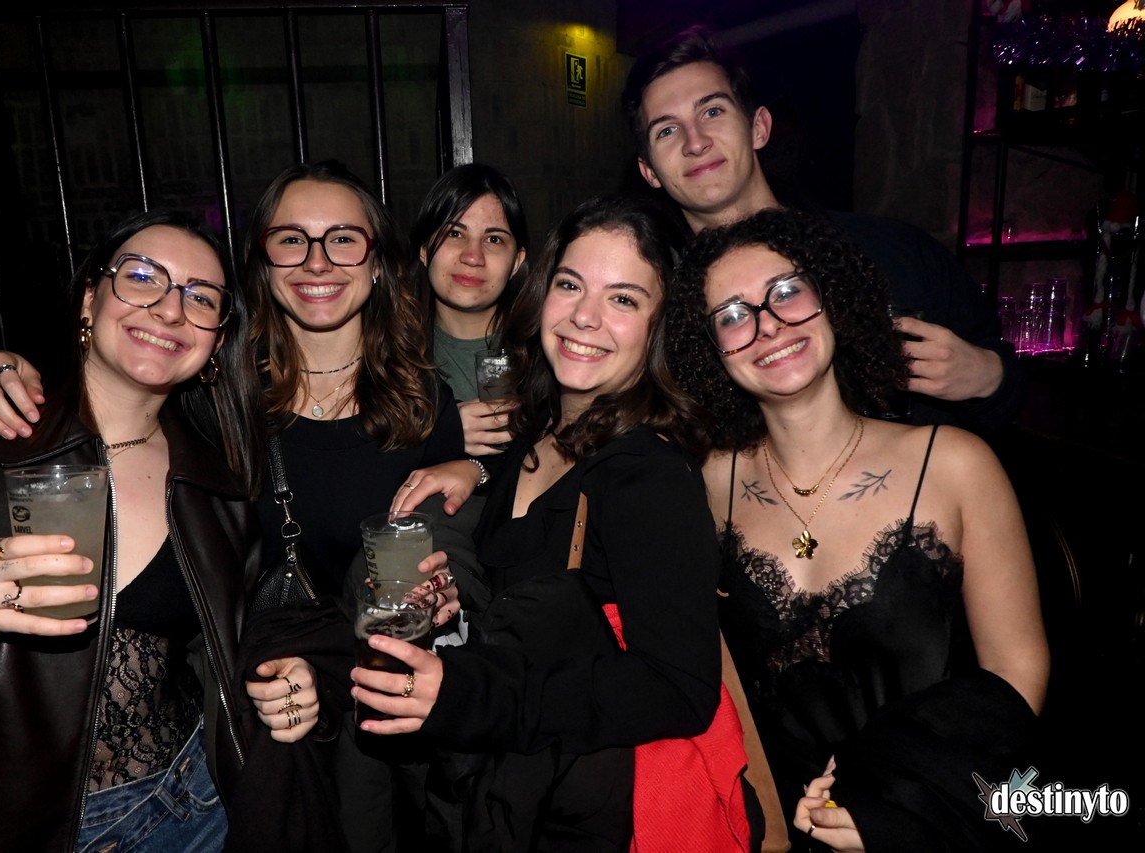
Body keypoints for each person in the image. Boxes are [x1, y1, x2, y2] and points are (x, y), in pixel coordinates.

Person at [0, 159, 466, 853]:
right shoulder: (216, 398)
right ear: (263, 265)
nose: (317, 260)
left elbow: (454, 547)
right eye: (291, 239)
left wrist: (474, 488)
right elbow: (117, 384)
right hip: (245, 716)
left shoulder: (425, 404)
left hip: (358, 703)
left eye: (343, 238)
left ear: (378, 262)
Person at [0, 209, 271, 851]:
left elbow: (239, 644)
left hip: (189, 809)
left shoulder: (218, 486)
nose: (170, 309)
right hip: (2, 825)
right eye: (143, 277)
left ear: (216, 342)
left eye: (201, 298)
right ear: (89, 298)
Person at [365, 194, 753, 852]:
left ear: (661, 325)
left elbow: (679, 688)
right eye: (570, 285)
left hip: (590, 818)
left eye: (623, 298)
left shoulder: (647, 477)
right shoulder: (539, 435)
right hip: (515, 801)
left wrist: (470, 692)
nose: (584, 316)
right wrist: (456, 610)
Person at [665, 207, 1049, 851]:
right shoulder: (702, 485)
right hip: (775, 831)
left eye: (786, 291)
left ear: (832, 300)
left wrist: (894, 800)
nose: (767, 325)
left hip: (931, 814)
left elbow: (1018, 672)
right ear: (711, 350)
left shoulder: (955, 464)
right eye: (732, 315)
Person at [620, 24, 1026, 435]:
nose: (695, 142)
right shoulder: (662, 310)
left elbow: (1007, 381)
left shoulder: (892, 252)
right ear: (649, 171)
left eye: (712, 112)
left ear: (759, 127)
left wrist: (986, 377)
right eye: (667, 130)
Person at [408, 162, 530, 458]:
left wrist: (478, 470)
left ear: (516, 261)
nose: (473, 256)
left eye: (494, 239)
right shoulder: (387, 351)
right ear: (424, 250)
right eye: (454, 234)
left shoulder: (547, 355)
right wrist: (442, 435)